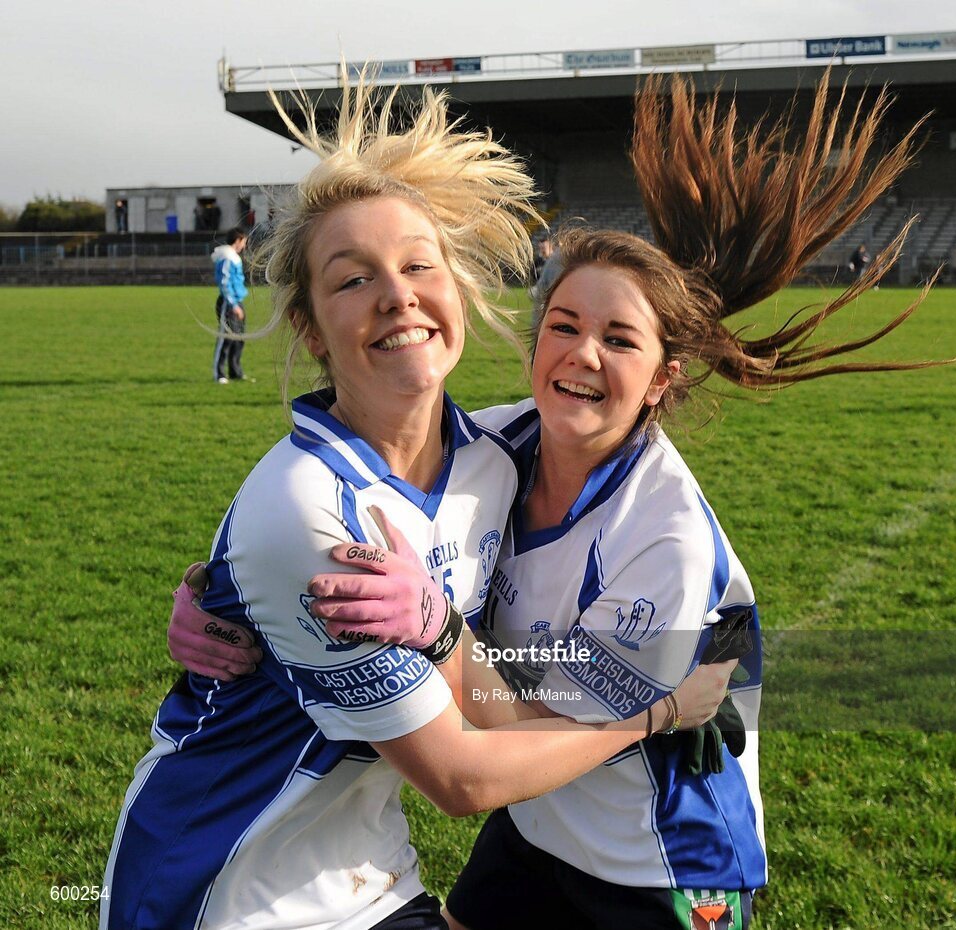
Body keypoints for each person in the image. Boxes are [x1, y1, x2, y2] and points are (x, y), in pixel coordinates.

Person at [171, 74, 944, 929]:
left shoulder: (667, 545)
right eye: (566, 324)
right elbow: (351, 511)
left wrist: (439, 633)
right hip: (537, 827)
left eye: (620, 340)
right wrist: (233, 602)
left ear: (662, 380)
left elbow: (517, 725)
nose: (582, 355)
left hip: (660, 862)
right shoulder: (493, 445)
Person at [102, 81, 733, 930]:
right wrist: (659, 711)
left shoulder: (500, 463)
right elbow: (462, 778)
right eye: (353, 279)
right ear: (310, 329)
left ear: (458, 290)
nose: (396, 295)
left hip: (399, 871)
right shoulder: (323, 510)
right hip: (225, 888)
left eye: (417, 266)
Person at [211, 227, 249, 383]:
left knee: (239, 337)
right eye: (244, 242)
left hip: (237, 300)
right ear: (238, 240)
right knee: (226, 337)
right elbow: (225, 282)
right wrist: (233, 304)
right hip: (229, 302)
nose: (244, 246)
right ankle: (219, 373)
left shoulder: (233, 257)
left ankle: (235, 372)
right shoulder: (227, 257)